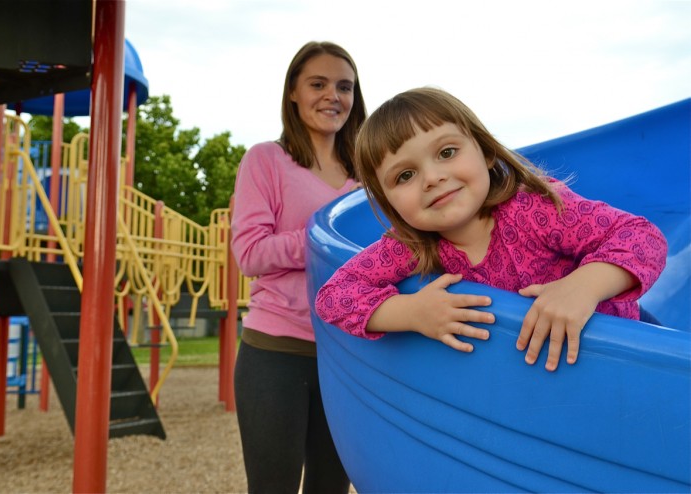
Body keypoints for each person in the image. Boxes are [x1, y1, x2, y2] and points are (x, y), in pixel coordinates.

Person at [315, 87, 667, 372]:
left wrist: (582, 287)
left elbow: (641, 237)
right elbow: (333, 297)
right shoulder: (411, 246)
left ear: (484, 151)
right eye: (405, 176)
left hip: (628, 344)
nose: (433, 177)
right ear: (389, 201)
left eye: (447, 152)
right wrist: (413, 313)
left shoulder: (532, 209)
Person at [230, 41, 366, 493]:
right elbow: (249, 254)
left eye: (344, 87)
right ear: (293, 92)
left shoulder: (366, 179)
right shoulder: (265, 160)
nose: (333, 96)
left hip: (346, 354)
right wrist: (320, 239)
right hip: (276, 352)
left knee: (331, 488)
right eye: (318, 84)